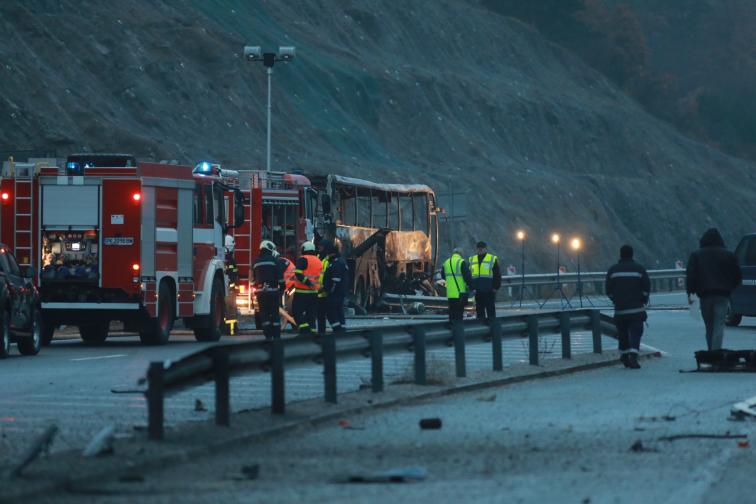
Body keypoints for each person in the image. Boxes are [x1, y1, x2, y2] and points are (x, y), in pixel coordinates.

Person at [686, 228, 742, 351]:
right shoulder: (728, 255)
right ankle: (715, 353)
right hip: (723, 295)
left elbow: (691, 275)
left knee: (709, 325)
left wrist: (690, 292)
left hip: (705, 295)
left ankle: (711, 351)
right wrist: (730, 287)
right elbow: (737, 274)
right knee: (719, 325)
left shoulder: (696, 255)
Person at [605, 245, 650, 369]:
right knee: (636, 332)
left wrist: (615, 299)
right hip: (637, 309)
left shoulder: (613, 270)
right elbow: (646, 287)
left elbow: (608, 289)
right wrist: (643, 299)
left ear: (620, 254)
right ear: (632, 254)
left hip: (620, 310)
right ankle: (633, 356)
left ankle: (624, 355)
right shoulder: (639, 269)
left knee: (623, 333)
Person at [252, 240, 284, 340]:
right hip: (273, 291)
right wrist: (282, 288)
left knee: (264, 314)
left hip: (260, 292)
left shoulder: (255, 262)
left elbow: (252, 280)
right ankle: (276, 336)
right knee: (274, 314)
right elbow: (280, 278)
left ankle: (268, 336)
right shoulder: (275, 261)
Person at [292, 241, 323, 336]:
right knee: (311, 314)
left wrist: (307, 282)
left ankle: (304, 331)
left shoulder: (303, 259)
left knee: (297, 312)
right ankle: (313, 333)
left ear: (304, 249)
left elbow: (298, 273)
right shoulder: (319, 261)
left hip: (301, 292)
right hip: (314, 293)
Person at [468, 241, 501, 320]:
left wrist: (495, 287)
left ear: (486, 249)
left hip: (489, 290)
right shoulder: (472, 259)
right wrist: (472, 287)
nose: (480, 250)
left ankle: (492, 328)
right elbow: (469, 275)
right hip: (478, 290)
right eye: (479, 248)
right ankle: (481, 328)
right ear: (476, 249)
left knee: (491, 311)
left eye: (482, 248)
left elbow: (497, 274)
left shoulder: (492, 258)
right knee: (479, 312)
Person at [441, 247, 473, 323]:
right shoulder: (461, 262)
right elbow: (467, 277)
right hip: (460, 293)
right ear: (461, 254)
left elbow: (443, 276)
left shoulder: (446, 262)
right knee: (459, 315)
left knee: (452, 313)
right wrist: (472, 287)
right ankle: (458, 331)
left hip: (450, 293)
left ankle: (452, 330)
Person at [322, 241, 348, 334]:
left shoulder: (336, 263)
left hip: (335, 294)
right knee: (339, 311)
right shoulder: (340, 261)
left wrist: (329, 291)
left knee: (331, 312)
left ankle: (337, 330)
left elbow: (335, 280)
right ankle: (342, 329)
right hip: (339, 293)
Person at [316, 239, 333, 336]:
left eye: (321, 246)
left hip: (325, 292)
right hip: (317, 291)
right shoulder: (318, 257)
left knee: (327, 314)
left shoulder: (328, 259)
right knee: (320, 315)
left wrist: (325, 288)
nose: (319, 248)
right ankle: (321, 332)